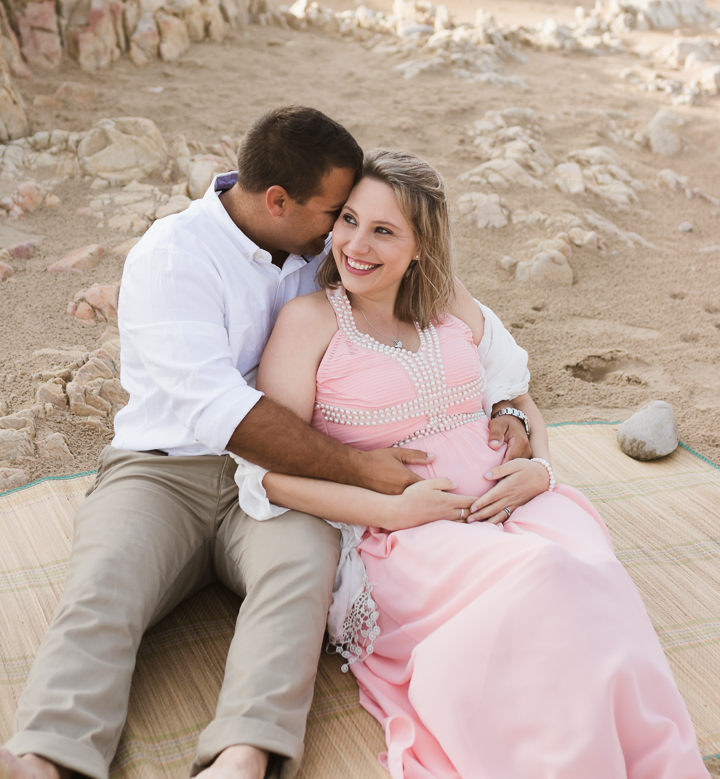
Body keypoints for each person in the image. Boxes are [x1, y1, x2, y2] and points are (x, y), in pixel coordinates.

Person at [1, 107, 530, 779]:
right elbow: (226, 415)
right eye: (336, 213)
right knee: (106, 582)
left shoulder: (330, 253)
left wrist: (507, 400)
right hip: (166, 471)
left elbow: (465, 320)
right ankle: (48, 757)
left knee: (299, 579)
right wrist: (363, 469)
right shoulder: (172, 258)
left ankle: (242, 755)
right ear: (277, 201)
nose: (346, 232)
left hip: (288, 480)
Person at [240, 147, 708, 779]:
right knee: (542, 582)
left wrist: (540, 465)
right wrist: (393, 510)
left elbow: (516, 391)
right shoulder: (310, 321)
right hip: (406, 537)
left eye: (383, 231)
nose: (355, 244)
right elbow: (267, 473)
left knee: (587, 574)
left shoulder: (448, 303)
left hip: (522, 503)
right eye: (349, 220)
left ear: (420, 247)